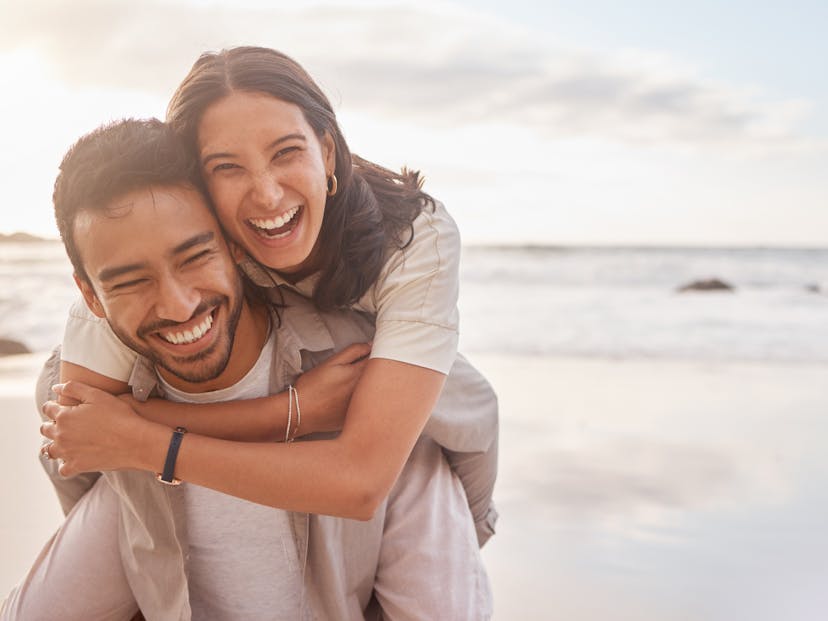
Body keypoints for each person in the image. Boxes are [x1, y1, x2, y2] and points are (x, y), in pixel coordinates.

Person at [2, 118, 491, 620]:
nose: (176, 305)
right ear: (90, 296)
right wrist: (288, 413)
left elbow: (472, 427)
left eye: (194, 256)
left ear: (237, 245)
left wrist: (286, 413)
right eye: (130, 282)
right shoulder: (107, 421)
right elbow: (74, 453)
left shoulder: (369, 387)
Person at [42, 46, 499, 544]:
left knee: (449, 412)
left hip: (416, 398)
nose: (266, 195)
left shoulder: (415, 237)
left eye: (286, 153)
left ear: (326, 152)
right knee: (53, 383)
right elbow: (82, 428)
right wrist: (288, 412)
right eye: (226, 167)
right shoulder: (178, 244)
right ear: (196, 182)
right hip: (295, 385)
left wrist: (149, 442)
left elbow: (361, 481)